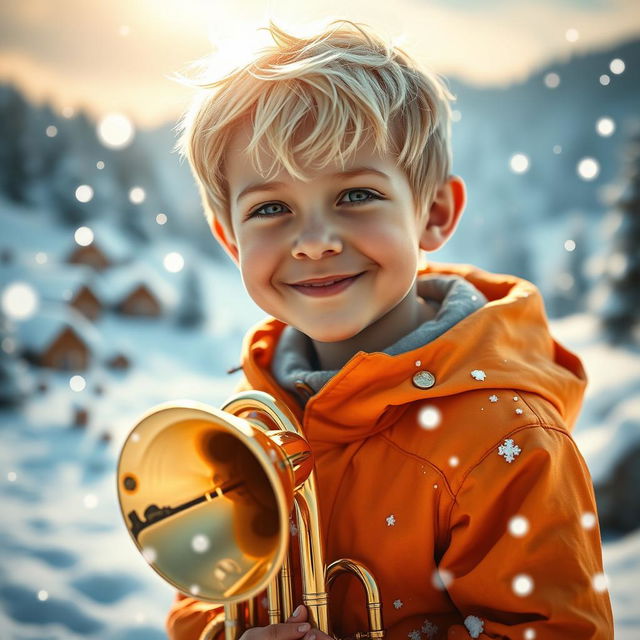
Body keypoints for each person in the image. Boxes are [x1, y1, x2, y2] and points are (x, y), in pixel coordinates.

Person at [165, 18, 614, 640]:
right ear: (229, 238)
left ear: (433, 214)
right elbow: (206, 597)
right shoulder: (251, 427)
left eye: (355, 195)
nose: (315, 242)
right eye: (271, 208)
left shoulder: (504, 442)